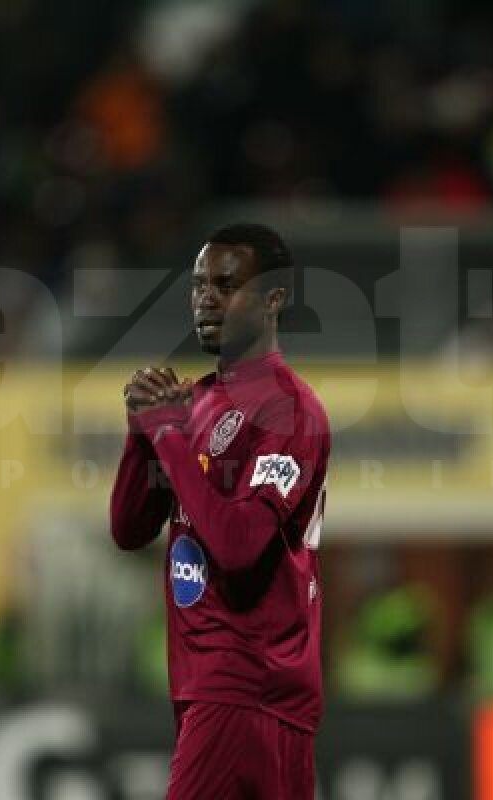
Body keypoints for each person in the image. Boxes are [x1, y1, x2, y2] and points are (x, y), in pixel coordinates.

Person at [109, 222, 330, 799]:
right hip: (209, 682)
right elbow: (129, 529)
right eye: (199, 283)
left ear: (274, 298)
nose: (206, 297)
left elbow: (238, 545)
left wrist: (169, 436)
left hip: (249, 683)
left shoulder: (288, 410)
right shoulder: (201, 401)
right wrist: (143, 434)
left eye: (227, 284)